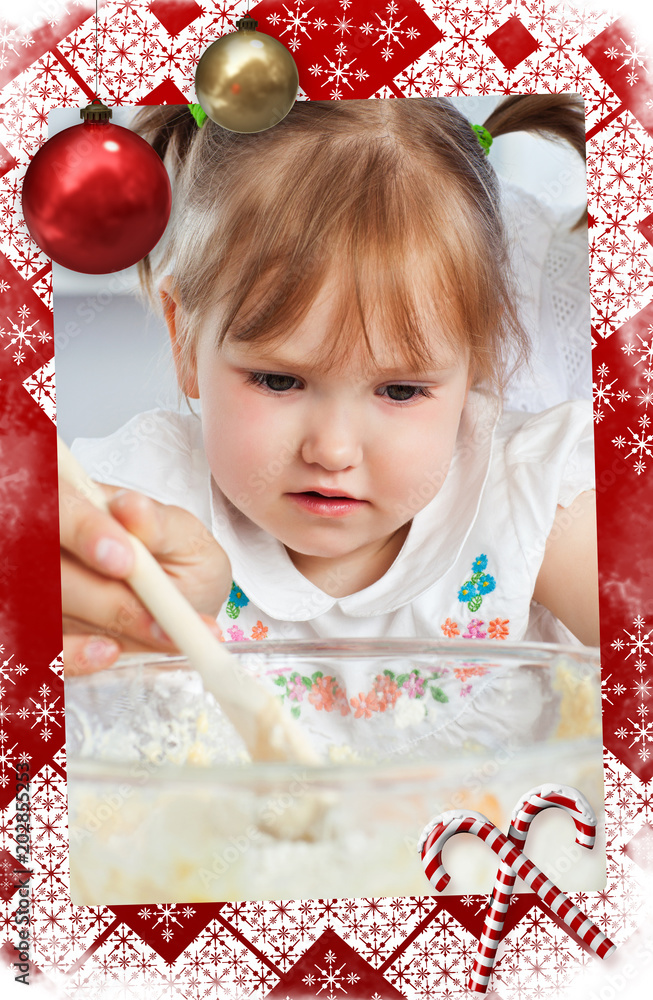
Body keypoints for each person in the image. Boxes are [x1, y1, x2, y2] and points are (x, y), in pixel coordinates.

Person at [60, 96, 597, 698]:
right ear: (184, 340)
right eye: (279, 380)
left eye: (400, 390)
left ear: (480, 356)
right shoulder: (138, 502)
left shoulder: (536, 506)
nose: (334, 450)